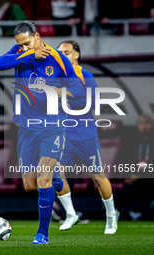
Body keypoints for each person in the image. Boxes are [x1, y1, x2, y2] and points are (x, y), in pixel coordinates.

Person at [0, 21, 85, 244]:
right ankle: (55, 177)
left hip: (53, 126)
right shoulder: (20, 52)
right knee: (30, 185)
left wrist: (61, 90)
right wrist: (30, 54)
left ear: (37, 35)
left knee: (42, 179)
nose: (22, 47)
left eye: (27, 43)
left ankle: (42, 234)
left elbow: (79, 90)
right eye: (20, 45)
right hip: (27, 128)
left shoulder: (58, 58)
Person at [56, 40, 118, 234]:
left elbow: (93, 103)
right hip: (64, 136)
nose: (62, 56)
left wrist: (65, 96)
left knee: (98, 178)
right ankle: (71, 213)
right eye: (60, 53)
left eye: (67, 52)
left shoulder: (86, 76)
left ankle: (111, 215)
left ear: (77, 55)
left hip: (85, 135)